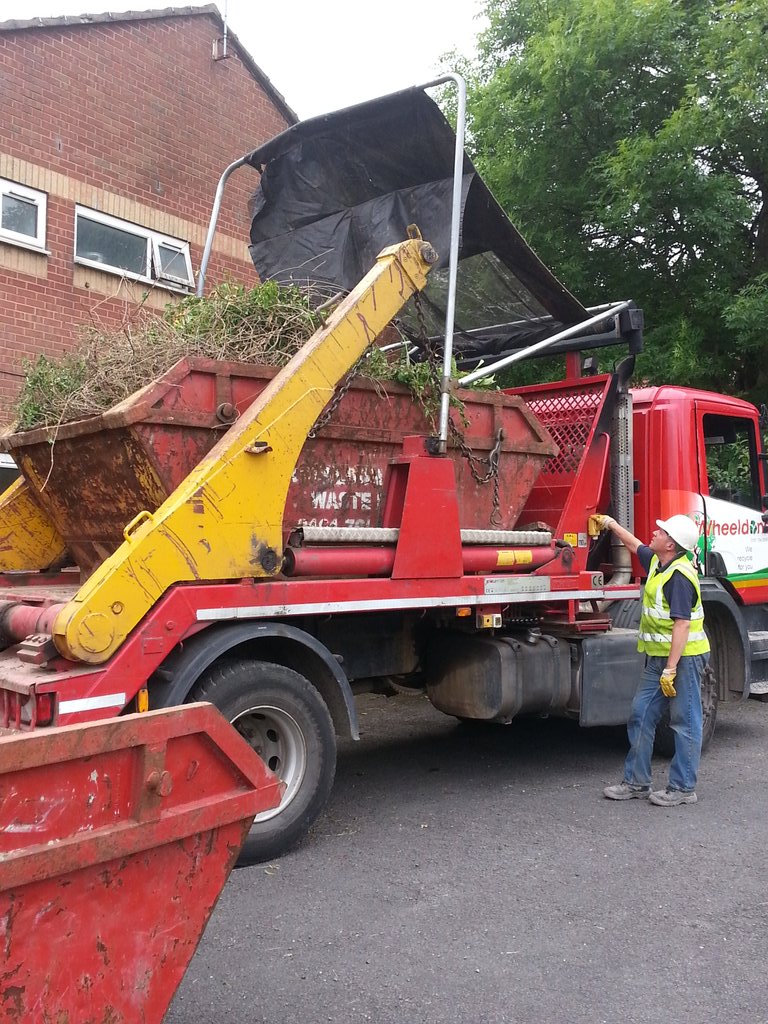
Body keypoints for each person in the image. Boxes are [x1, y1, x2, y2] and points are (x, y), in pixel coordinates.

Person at [592, 513, 710, 807]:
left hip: (683, 660)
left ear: (671, 544)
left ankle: (683, 788)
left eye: (661, 531)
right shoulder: (660, 563)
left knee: (685, 721)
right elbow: (635, 546)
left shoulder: (679, 577)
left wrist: (671, 668)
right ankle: (637, 782)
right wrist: (610, 524)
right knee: (640, 713)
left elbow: (681, 626)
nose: (655, 532)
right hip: (660, 659)